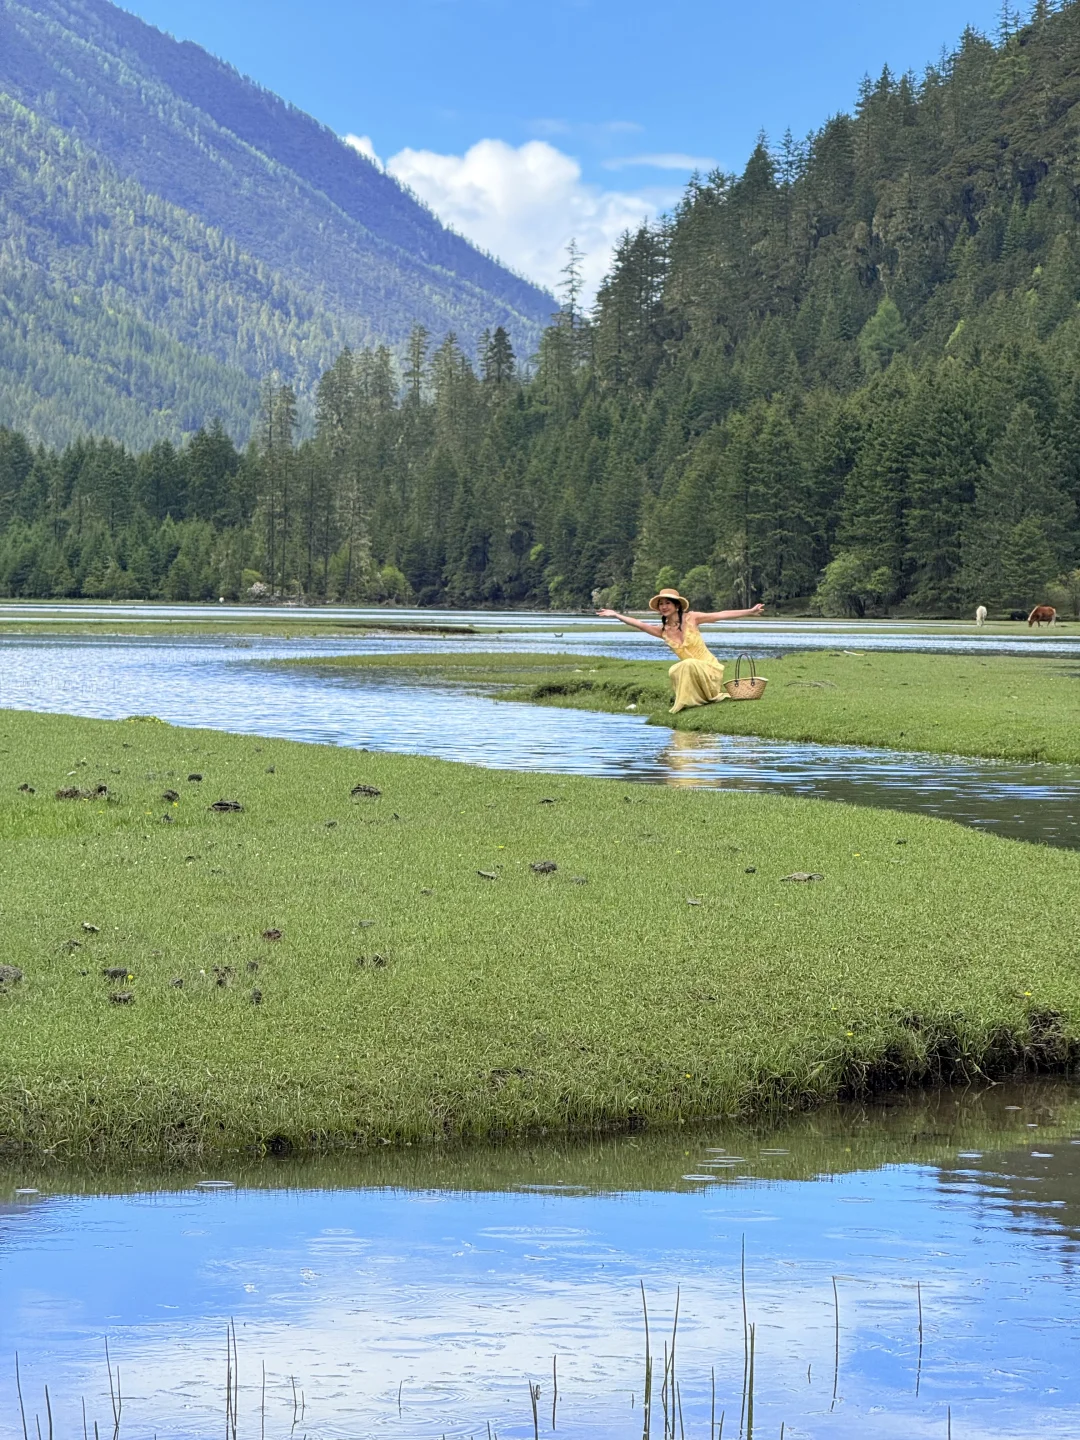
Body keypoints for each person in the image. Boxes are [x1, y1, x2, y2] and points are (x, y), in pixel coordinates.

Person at [597, 587, 766, 713]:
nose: (664, 606)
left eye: (667, 603)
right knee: (675, 669)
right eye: (661, 604)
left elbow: (721, 614)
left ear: (677, 605)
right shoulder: (662, 631)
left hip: (710, 669)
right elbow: (639, 624)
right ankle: (689, 701)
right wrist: (616, 615)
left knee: (689, 664)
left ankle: (689, 702)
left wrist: (749, 611)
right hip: (690, 670)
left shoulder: (692, 618)